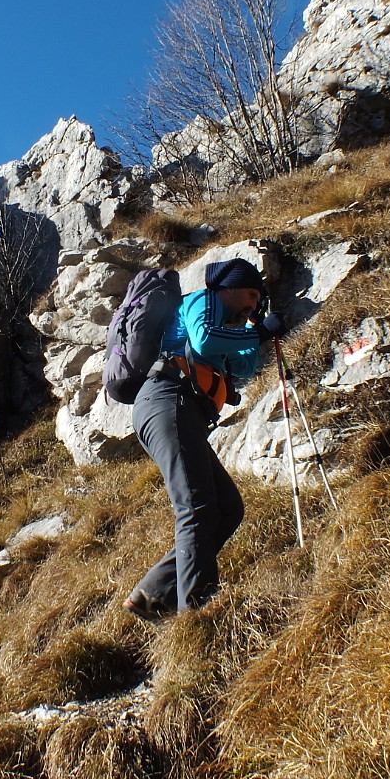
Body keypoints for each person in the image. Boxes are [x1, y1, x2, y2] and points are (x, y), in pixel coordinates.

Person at [123, 257, 283, 621]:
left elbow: (242, 366)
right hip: (167, 400)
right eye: (250, 294)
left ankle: (152, 595)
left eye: (258, 300)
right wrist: (259, 332)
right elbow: (206, 340)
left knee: (227, 508)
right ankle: (199, 614)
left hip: (181, 412)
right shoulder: (204, 302)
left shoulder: (227, 321)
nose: (253, 304)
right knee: (196, 507)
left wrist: (258, 332)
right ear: (228, 287)